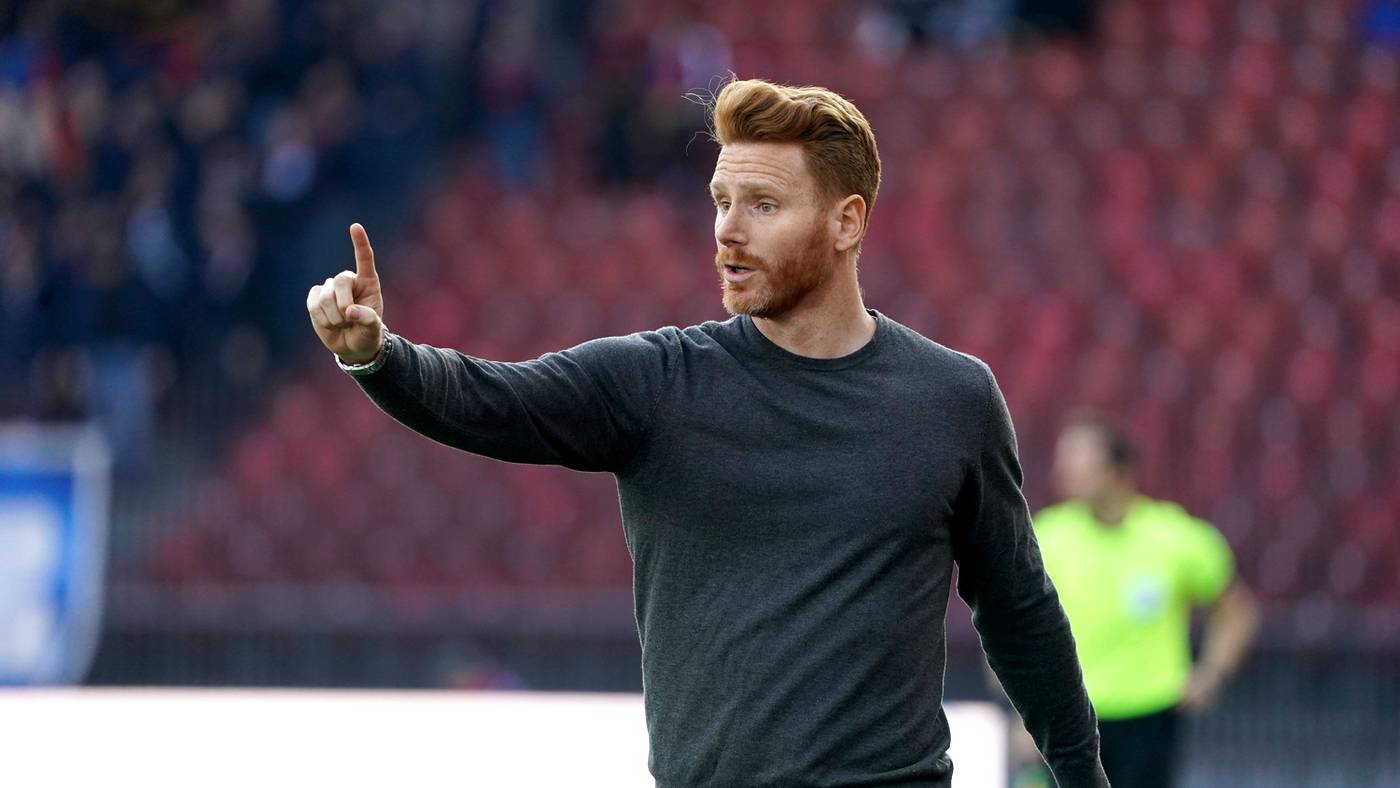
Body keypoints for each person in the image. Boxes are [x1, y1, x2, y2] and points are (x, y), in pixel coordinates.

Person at [307, 78, 1108, 787]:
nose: (727, 230)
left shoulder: (952, 398)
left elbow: (1020, 612)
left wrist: (1083, 777)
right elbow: (489, 402)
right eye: (721, 202)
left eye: (763, 205)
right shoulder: (656, 384)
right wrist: (377, 356)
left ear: (846, 222)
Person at [1018, 414, 1261, 788]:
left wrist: (1212, 672)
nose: (1064, 470)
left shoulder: (1175, 537)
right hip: (1068, 713)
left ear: (1118, 470)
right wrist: (1020, 711)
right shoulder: (1047, 536)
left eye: (1080, 460)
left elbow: (1235, 612)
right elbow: (1014, 630)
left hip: (1150, 714)